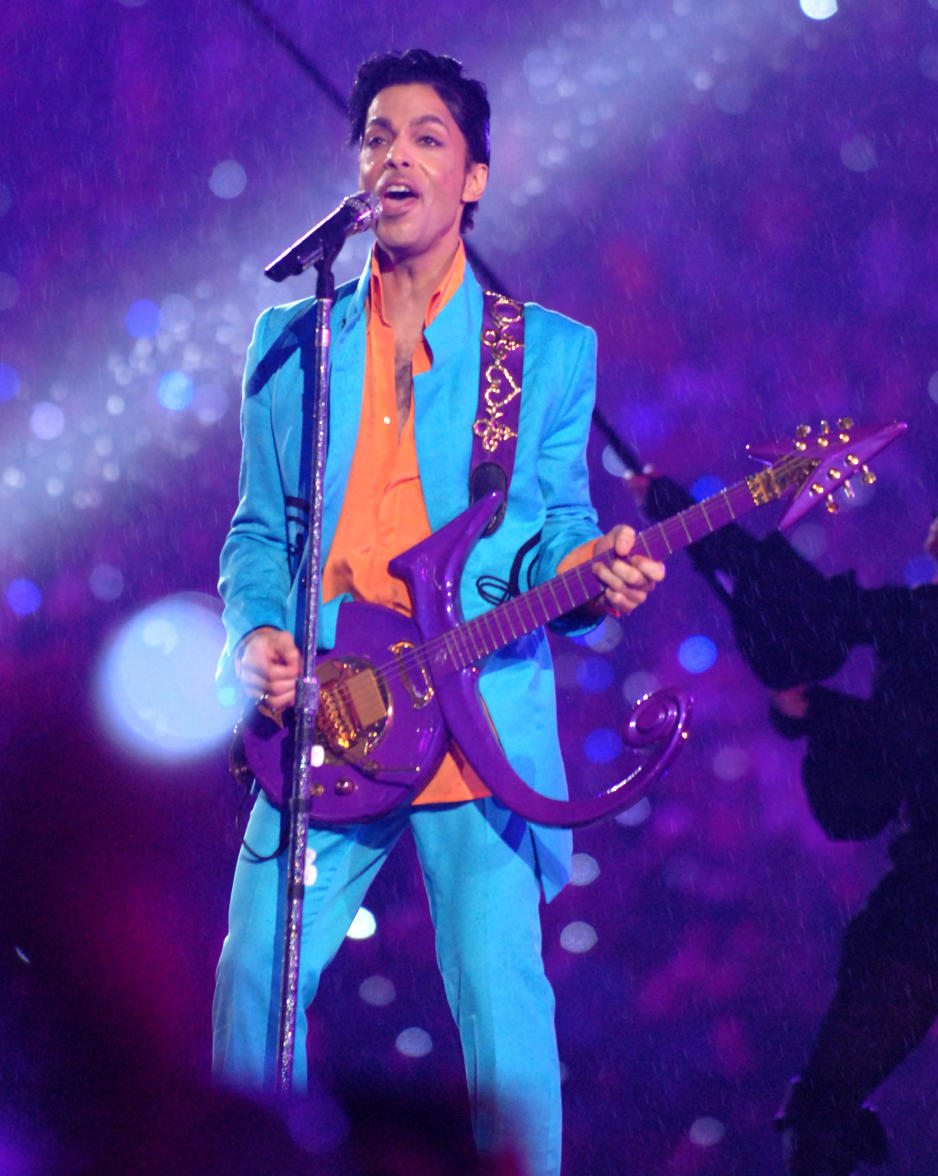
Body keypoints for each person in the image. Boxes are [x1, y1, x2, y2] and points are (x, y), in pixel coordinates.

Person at [212, 49, 665, 1176]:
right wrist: (259, 634)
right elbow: (258, 533)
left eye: (426, 137)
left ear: (473, 177)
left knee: (503, 1012)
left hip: (473, 711)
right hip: (331, 708)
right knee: (252, 976)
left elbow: (555, 521)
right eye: (377, 135)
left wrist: (594, 561)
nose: (396, 153)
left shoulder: (543, 350)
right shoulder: (291, 344)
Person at [640, 474, 938, 1176]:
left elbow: (917, 734)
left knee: (823, 1106)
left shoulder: (932, 618)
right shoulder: (928, 616)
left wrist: (821, 711)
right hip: (936, 894)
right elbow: (818, 617)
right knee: (823, 1103)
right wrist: (685, 516)